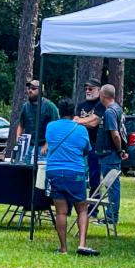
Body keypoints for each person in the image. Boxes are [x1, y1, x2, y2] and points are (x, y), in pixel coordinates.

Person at [45, 98, 98, 256]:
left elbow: (49, 143)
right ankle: (82, 244)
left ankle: (63, 248)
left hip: (54, 171)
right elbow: (86, 149)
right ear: (74, 112)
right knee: (82, 209)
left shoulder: (51, 126)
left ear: (59, 112)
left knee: (61, 212)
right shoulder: (80, 129)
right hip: (75, 172)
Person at [96, 84, 128, 225]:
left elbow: (115, 134)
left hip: (110, 154)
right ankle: (111, 215)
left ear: (103, 95)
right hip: (112, 153)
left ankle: (111, 216)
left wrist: (119, 150)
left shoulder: (109, 112)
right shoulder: (117, 109)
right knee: (112, 186)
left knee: (111, 186)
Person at [73, 79, 106, 199]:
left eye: (91, 89)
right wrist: (86, 121)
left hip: (95, 145)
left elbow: (94, 123)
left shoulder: (101, 105)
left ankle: (93, 206)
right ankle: (78, 201)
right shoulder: (81, 105)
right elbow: (76, 122)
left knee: (94, 177)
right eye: (86, 89)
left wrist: (80, 121)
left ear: (99, 90)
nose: (87, 91)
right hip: (80, 145)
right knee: (78, 174)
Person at [14, 79, 58, 160]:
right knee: (25, 166)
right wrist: (18, 139)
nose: (30, 90)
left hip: (43, 147)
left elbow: (56, 128)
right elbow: (21, 125)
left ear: (41, 91)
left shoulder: (50, 106)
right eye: (29, 88)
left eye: (33, 88)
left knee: (41, 167)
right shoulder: (25, 106)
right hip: (28, 146)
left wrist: (47, 144)